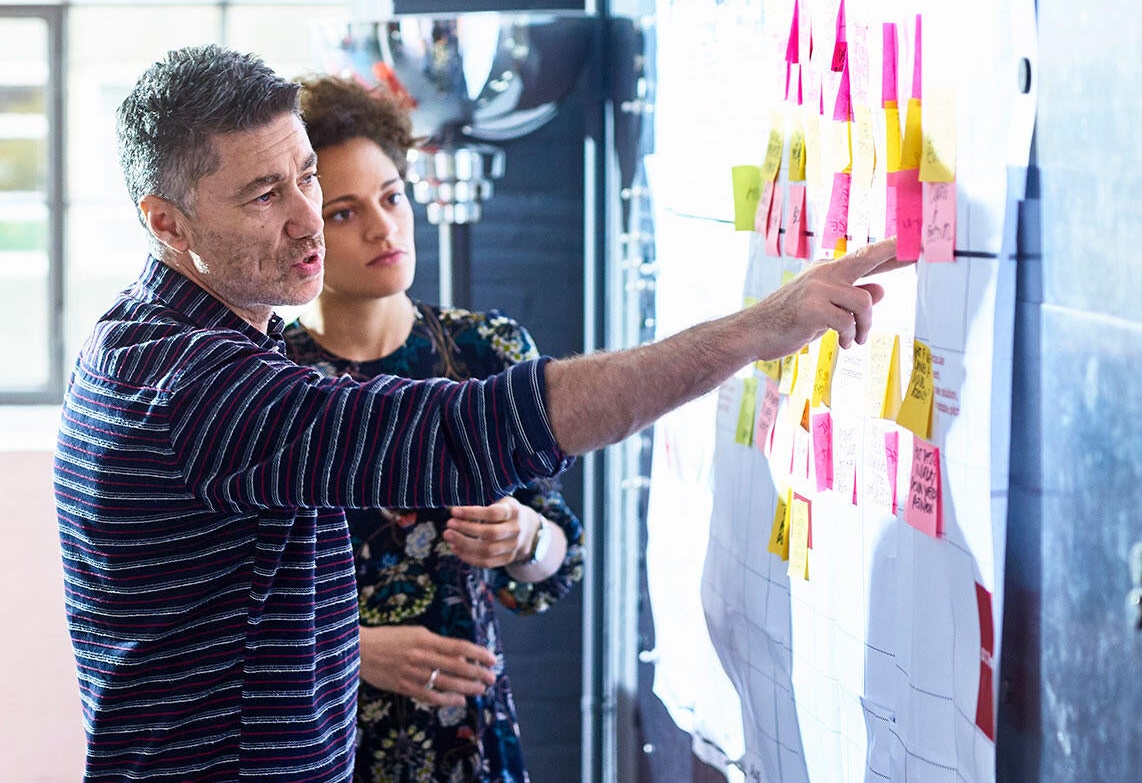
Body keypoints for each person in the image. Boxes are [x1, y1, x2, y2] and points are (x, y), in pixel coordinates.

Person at [53, 43, 899, 782]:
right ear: (165, 223)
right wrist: (754, 330)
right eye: (264, 195)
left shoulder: (170, 342)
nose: (310, 221)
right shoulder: (194, 386)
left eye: (308, 176)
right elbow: (471, 431)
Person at [284, 73, 584, 782]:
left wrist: (523, 535)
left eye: (392, 197)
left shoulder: (485, 353)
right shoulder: (269, 378)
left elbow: (556, 567)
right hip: (315, 739)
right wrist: (356, 649)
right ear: (299, 228)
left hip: (466, 743)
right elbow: (221, 614)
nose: (384, 228)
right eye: (345, 213)